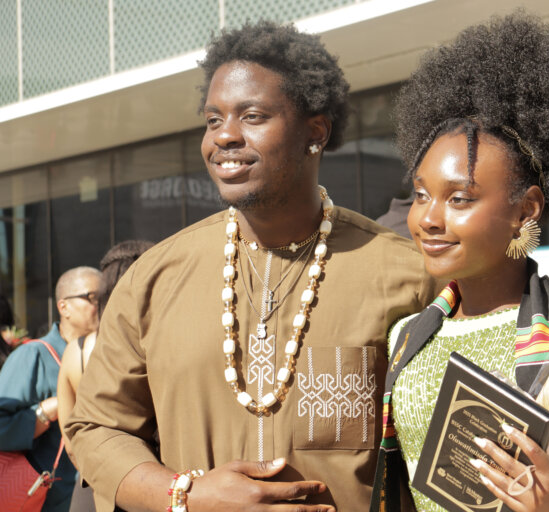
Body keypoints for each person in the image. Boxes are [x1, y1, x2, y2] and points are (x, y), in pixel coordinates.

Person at [66, 21, 434, 512]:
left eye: (253, 115)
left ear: (315, 132)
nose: (225, 137)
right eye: (213, 120)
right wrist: (185, 496)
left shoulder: (407, 276)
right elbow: (96, 426)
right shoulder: (154, 278)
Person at [371, 12, 549, 512]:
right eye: (419, 195)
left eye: (460, 199)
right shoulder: (406, 338)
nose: (429, 218)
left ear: (527, 209)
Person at [57, 240, 154, 512]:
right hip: (161, 488)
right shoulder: (163, 346)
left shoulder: (77, 352)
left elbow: (72, 440)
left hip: (93, 490)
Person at [0, 266, 102, 512]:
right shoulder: (33, 355)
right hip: (45, 499)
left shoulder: (107, 357)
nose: (101, 304)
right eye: (92, 297)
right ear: (63, 307)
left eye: (106, 295)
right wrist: (50, 409)